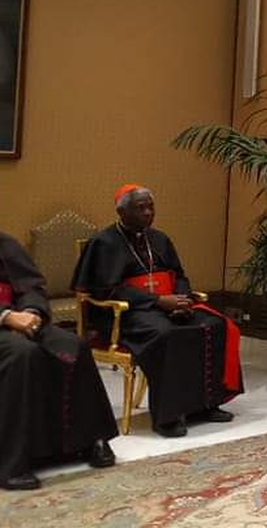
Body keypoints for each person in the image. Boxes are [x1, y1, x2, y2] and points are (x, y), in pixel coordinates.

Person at [71, 184, 243, 438]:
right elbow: (107, 290)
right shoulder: (104, 243)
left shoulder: (160, 239)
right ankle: (168, 417)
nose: (148, 212)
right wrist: (158, 302)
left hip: (165, 306)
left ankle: (205, 406)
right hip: (127, 313)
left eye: (151, 206)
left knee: (211, 325)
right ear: (122, 211)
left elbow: (179, 275)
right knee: (166, 335)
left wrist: (182, 301)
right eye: (141, 208)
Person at [1, 232, 118, 490]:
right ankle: (12, 463)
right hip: (5, 322)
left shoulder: (6, 243)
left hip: (22, 320)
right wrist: (6, 316)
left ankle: (91, 439)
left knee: (74, 345)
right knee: (22, 354)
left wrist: (31, 312)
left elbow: (32, 286)